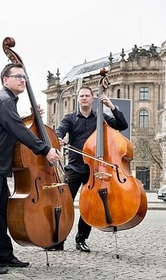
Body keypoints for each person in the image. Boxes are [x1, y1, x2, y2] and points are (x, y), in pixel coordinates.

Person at [0, 63, 62, 274]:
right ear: (5, 80)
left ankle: (4, 255)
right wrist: (45, 149)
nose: (23, 80)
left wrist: (31, 118)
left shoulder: (7, 101)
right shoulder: (3, 100)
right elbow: (19, 130)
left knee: (1, 212)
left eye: (24, 77)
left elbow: (13, 124)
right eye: (18, 76)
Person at [52, 86, 128, 252]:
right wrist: (58, 139)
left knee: (90, 206)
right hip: (74, 167)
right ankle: (58, 241)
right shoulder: (70, 118)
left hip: (94, 170)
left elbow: (123, 124)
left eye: (87, 96)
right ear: (78, 99)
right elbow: (60, 131)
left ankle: (81, 240)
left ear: (92, 99)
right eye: (82, 96)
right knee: (65, 204)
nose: (84, 98)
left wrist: (111, 106)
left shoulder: (101, 118)